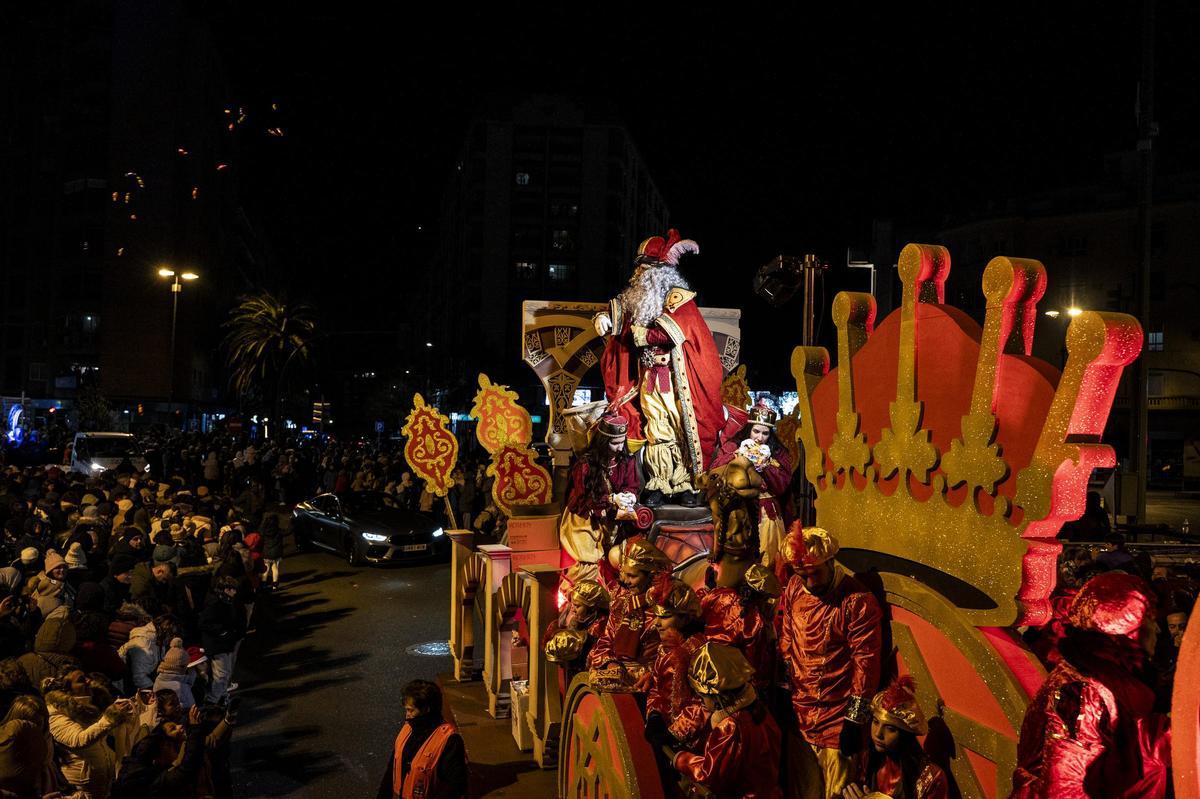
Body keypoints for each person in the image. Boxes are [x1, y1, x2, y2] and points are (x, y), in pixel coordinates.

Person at [594, 229, 725, 507]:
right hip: (649, 381)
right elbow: (622, 317)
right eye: (638, 269)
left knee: (681, 431)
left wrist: (643, 337)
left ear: (659, 272)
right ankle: (660, 483)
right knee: (657, 431)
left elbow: (674, 332)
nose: (638, 275)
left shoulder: (680, 300)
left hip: (677, 384)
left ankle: (686, 484)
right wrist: (604, 319)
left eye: (643, 269)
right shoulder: (640, 299)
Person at [1011, 571, 1171, 798]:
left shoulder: (1111, 681)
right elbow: (1064, 787)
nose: (1157, 630)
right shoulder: (1080, 690)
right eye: (1150, 619)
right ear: (1126, 626)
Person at [777, 525, 883, 799]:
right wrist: (784, 685)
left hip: (837, 720)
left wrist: (854, 719)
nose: (810, 583)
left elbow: (866, 663)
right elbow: (788, 639)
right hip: (799, 713)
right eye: (802, 575)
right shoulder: (793, 589)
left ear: (831, 562)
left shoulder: (856, 601)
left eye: (815, 574)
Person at [671, 642, 782, 799]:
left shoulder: (730, 726)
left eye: (702, 696)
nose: (700, 701)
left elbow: (709, 774)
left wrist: (680, 759)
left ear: (717, 696)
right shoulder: (760, 710)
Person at [710, 402, 793, 569]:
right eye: (756, 431)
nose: (759, 438)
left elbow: (782, 486)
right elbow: (714, 473)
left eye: (765, 433)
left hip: (767, 514)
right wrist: (736, 456)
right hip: (738, 512)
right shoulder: (733, 446)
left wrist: (766, 466)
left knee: (768, 561)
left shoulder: (777, 453)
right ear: (749, 429)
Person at [558, 415, 640, 585]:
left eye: (621, 442)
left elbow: (632, 485)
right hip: (584, 518)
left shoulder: (626, 460)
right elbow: (584, 497)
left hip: (612, 517)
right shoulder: (585, 464)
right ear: (603, 441)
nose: (619, 448)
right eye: (614, 443)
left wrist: (629, 496)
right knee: (586, 564)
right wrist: (611, 498)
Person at [842, 677, 948, 799]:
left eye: (890, 729)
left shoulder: (930, 778)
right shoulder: (866, 760)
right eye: (876, 722)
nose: (878, 734)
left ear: (905, 734)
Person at [586, 538, 672, 688]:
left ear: (651, 575)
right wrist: (610, 663)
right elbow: (606, 639)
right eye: (624, 574)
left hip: (652, 681)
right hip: (618, 673)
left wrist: (654, 673)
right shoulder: (622, 603)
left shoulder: (666, 605)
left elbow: (675, 650)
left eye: (632, 576)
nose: (625, 581)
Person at [641, 575, 709, 750]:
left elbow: (706, 703)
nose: (657, 623)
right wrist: (655, 715)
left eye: (665, 616)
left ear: (685, 618)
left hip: (698, 742)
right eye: (656, 616)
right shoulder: (665, 649)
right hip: (668, 736)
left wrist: (675, 732)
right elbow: (657, 688)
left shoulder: (699, 651)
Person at [376, 679, 467, 799]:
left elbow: (456, 785)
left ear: (426, 709)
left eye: (411, 710)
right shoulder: (408, 728)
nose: (406, 715)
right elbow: (392, 766)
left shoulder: (449, 741)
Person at [201, 575, 246, 703]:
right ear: (226, 589)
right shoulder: (215, 603)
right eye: (233, 589)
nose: (235, 592)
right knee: (221, 675)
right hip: (217, 645)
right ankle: (213, 701)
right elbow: (204, 623)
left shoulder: (225, 601)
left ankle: (222, 698)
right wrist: (223, 631)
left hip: (224, 643)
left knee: (225, 674)